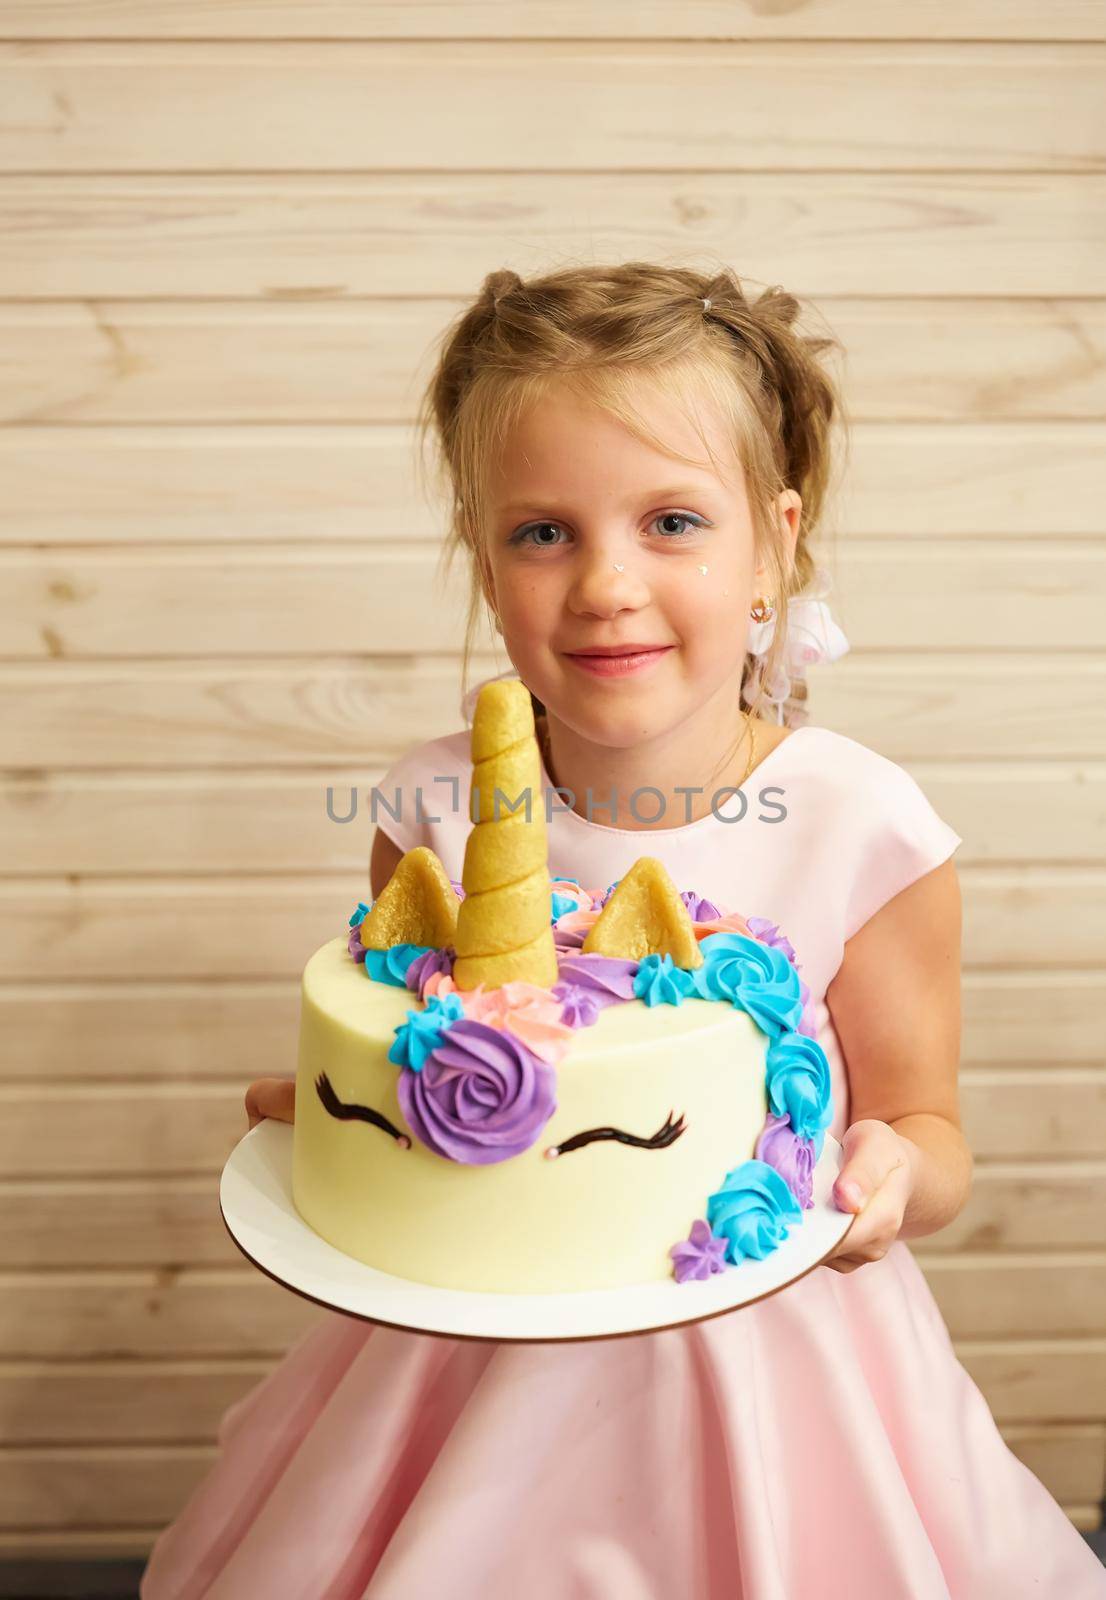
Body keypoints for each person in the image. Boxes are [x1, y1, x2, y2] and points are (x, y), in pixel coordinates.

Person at [140, 263, 1106, 1598]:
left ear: (771, 543)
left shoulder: (853, 820)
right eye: (542, 532)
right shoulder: (434, 804)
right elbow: (419, 1042)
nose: (603, 583)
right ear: (484, 557)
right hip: (464, 1359)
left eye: (668, 521)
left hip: (769, 1371)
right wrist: (338, 1120)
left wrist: (889, 1175)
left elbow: (928, 1134)